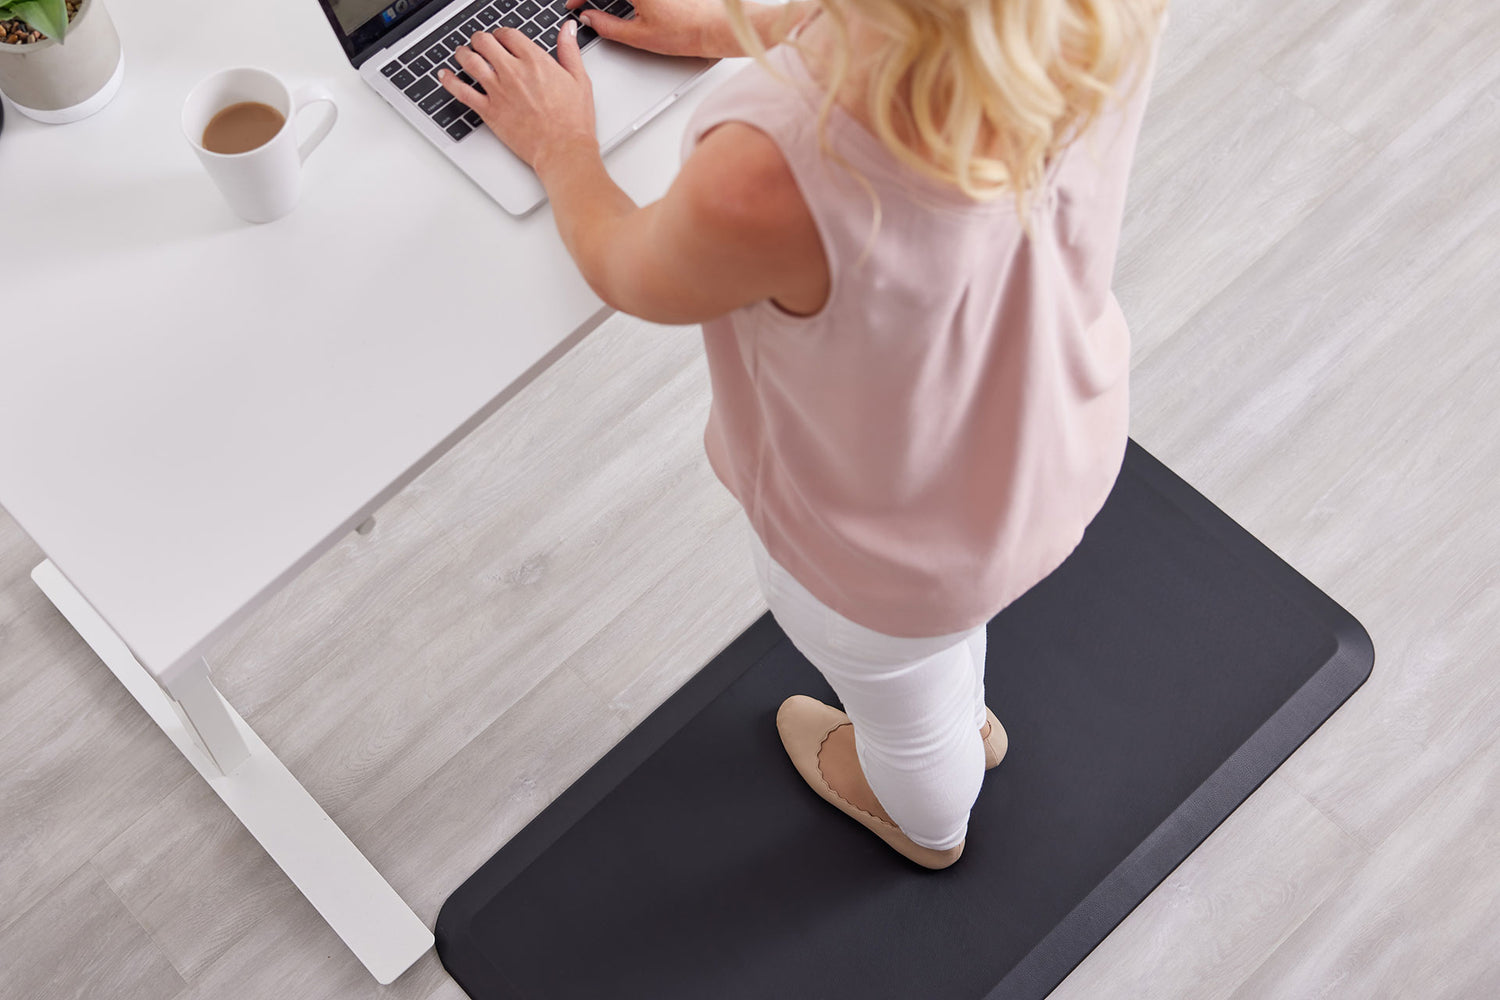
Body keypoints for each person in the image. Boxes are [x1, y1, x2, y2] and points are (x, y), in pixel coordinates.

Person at [437, 0, 1168, 869]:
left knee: (904, 697)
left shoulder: (775, 171)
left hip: (882, 554)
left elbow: (632, 270)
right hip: (1054, 426)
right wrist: (738, 28)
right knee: (936, 652)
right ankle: (954, 706)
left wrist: (560, 143)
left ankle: (928, 816)